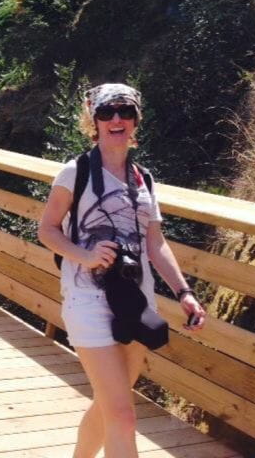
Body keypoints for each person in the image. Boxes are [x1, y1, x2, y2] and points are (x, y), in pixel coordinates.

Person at [37, 83, 205, 458]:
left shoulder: (144, 178)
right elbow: (47, 230)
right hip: (87, 299)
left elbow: (155, 243)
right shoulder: (76, 172)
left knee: (110, 404)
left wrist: (184, 292)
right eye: (107, 112)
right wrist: (85, 255)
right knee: (123, 416)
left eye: (125, 112)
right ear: (93, 121)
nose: (116, 119)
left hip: (135, 300)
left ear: (135, 121)